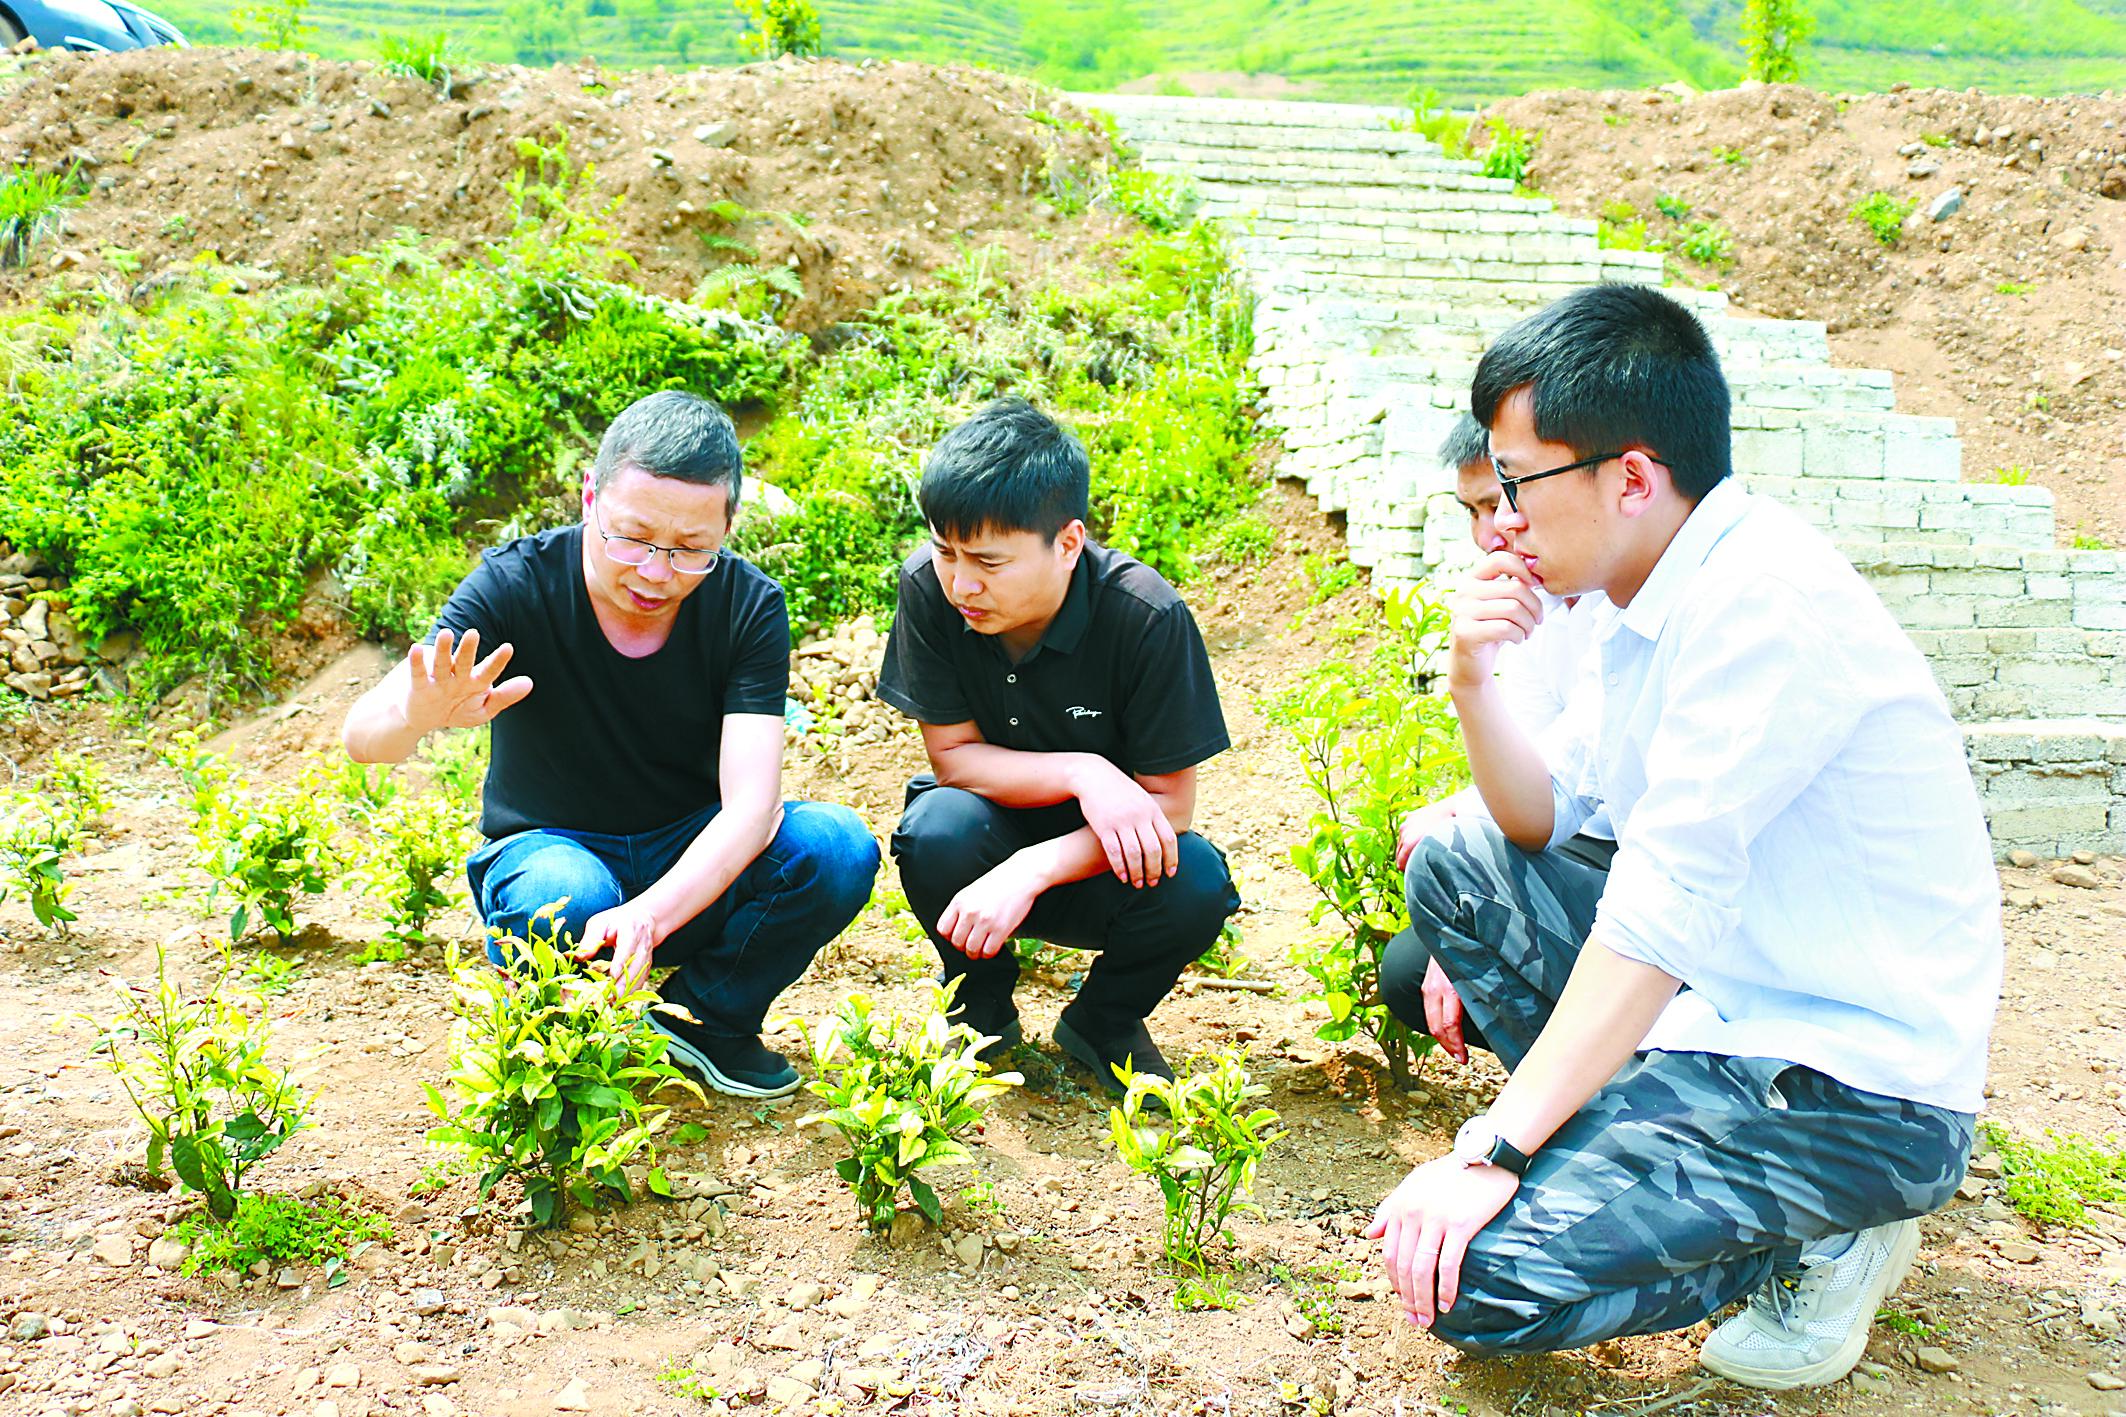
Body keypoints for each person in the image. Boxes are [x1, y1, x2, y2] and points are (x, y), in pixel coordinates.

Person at [1368, 284, 2000, 1390]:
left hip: (1847, 1079)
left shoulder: (1759, 609)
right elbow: (1539, 819)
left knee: (1476, 1281)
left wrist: (1495, 1150)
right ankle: (1641, 1158)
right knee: (1463, 865)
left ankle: (1810, 1237)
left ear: (1628, 475)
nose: (1499, 518)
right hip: (1721, 1010)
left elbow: (1657, 911)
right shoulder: (1640, 593)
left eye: (1516, 483)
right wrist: (1470, 677)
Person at [342, 391, 879, 1100]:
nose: (656, 571)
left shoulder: (748, 607)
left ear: (729, 524)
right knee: (567, 894)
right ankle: (556, 1037)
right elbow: (362, 736)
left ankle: (707, 1019)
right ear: (590, 496)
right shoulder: (515, 584)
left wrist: (650, 914)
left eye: (691, 549)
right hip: (551, 853)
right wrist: (419, 711)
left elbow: (753, 808)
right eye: (633, 537)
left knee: (836, 846)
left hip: (690, 863)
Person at [877, 396, 1239, 1089]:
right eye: (944, 550)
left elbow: (1171, 809)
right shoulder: (929, 589)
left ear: (1068, 543)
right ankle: (978, 1009)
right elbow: (952, 758)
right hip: (981, 838)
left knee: (1195, 881)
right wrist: (1083, 771)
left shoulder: (1145, 616)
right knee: (935, 829)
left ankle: (1103, 1020)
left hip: (1104, 865)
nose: (960, 582)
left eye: (987, 561)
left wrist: (1034, 867)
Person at [1380, 413, 1615, 1065]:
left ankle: (1592, 1109)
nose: (1491, 534)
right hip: (1582, 841)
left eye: (1501, 501)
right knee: (1410, 962)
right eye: (1473, 511)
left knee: (1446, 867)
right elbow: (1541, 760)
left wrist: (1467, 883)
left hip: (1649, 860)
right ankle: (1571, 1095)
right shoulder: (1535, 597)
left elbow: (1565, 785)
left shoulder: (1620, 597)